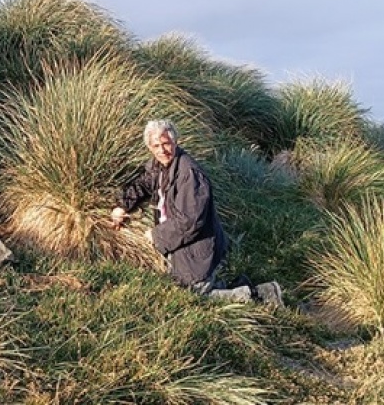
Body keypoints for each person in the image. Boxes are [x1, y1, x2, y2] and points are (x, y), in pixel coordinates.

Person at [111, 120, 282, 305]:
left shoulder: (189, 174)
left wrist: (156, 235)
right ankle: (235, 285)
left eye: (166, 144)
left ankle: (261, 294)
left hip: (196, 246)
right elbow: (144, 183)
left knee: (195, 296)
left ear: (175, 142)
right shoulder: (159, 165)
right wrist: (123, 205)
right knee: (181, 288)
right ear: (150, 148)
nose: (162, 150)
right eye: (156, 146)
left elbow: (189, 222)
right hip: (178, 242)